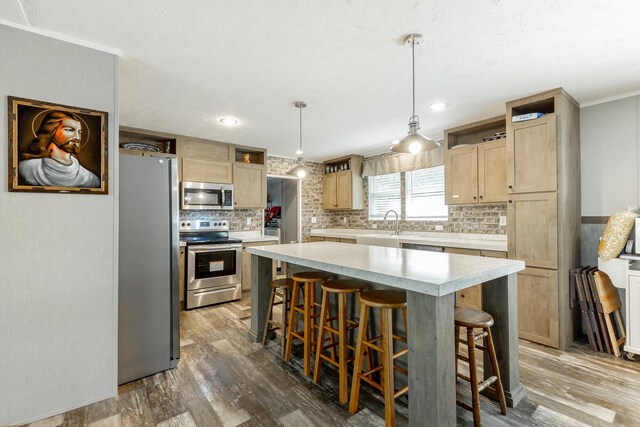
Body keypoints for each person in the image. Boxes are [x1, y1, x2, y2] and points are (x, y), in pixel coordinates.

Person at [18, 110, 100, 188]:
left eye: (79, 132)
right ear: (51, 131)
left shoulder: (90, 179)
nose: (77, 137)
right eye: (70, 130)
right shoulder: (26, 168)